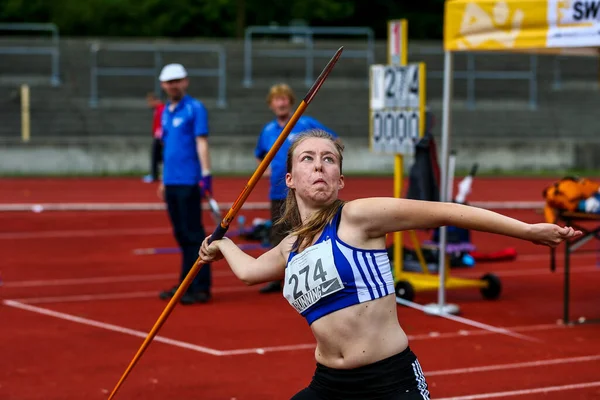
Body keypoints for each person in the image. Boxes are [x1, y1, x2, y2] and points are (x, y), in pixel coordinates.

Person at [199, 129, 581, 399]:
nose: (319, 166)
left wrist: (528, 231)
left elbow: (446, 212)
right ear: (290, 180)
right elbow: (250, 273)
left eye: (328, 160)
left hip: (388, 382)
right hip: (329, 384)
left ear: (340, 179)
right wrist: (222, 245)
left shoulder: (357, 217)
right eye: (308, 159)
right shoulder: (289, 247)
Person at [255, 83, 337, 294]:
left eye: (284, 98)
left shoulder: (306, 124)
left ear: (290, 102)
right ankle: (277, 278)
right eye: (277, 99)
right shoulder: (267, 130)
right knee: (278, 233)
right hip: (277, 191)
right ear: (271, 104)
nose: (281, 103)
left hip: (304, 192)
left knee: (308, 231)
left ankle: (311, 277)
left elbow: (333, 141)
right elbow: (261, 156)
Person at [157, 63, 213, 305]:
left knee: (193, 235)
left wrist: (206, 174)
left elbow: (201, 142)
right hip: (171, 181)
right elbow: (166, 149)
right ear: (163, 85)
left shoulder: (194, 108)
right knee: (181, 235)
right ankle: (185, 282)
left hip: (189, 180)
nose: (173, 85)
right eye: (169, 82)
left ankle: (200, 287)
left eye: (177, 80)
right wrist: (162, 179)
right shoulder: (165, 112)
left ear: (185, 81)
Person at [143, 92, 166, 183]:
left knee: (157, 155)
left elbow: (162, 124)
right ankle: (155, 174)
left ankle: (155, 175)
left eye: (150, 102)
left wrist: (161, 136)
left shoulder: (162, 109)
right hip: (158, 135)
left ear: (155, 100)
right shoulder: (157, 109)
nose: (149, 104)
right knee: (158, 156)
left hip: (160, 136)